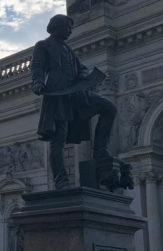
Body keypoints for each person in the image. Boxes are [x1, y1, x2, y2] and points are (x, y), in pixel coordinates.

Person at [31, 14, 116, 189]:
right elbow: (37, 66)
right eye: (68, 27)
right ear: (57, 26)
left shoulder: (67, 49)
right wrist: (38, 82)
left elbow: (81, 68)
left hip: (76, 93)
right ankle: (61, 180)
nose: (70, 31)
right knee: (58, 141)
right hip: (58, 95)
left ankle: (100, 151)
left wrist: (84, 75)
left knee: (109, 108)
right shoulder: (43, 45)